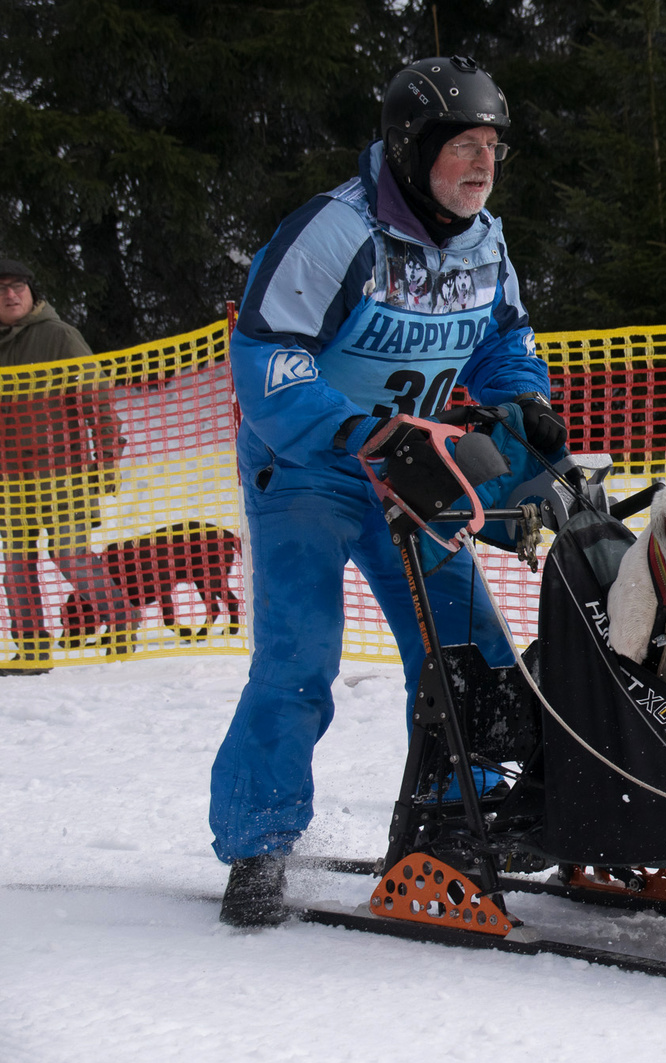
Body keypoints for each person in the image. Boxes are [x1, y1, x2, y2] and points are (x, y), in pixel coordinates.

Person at [209, 56, 572, 927]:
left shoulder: (486, 242)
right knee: (300, 660)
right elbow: (268, 356)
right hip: (307, 465)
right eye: (462, 148)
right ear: (413, 150)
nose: (482, 166)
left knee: (469, 647)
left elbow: (505, 340)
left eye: (493, 148)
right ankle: (258, 848)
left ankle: (465, 819)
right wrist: (352, 430)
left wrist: (525, 400)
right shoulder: (336, 231)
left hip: (416, 464)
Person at [0, 259, 135, 675]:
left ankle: (121, 619)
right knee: (16, 562)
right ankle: (32, 649)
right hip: (12, 478)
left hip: (62, 472)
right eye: (2, 289)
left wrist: (106, 461)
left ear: (32, 292)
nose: (11, 295)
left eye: (18, 286)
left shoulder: (60, 336)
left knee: (69, 554)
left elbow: (97, 398)